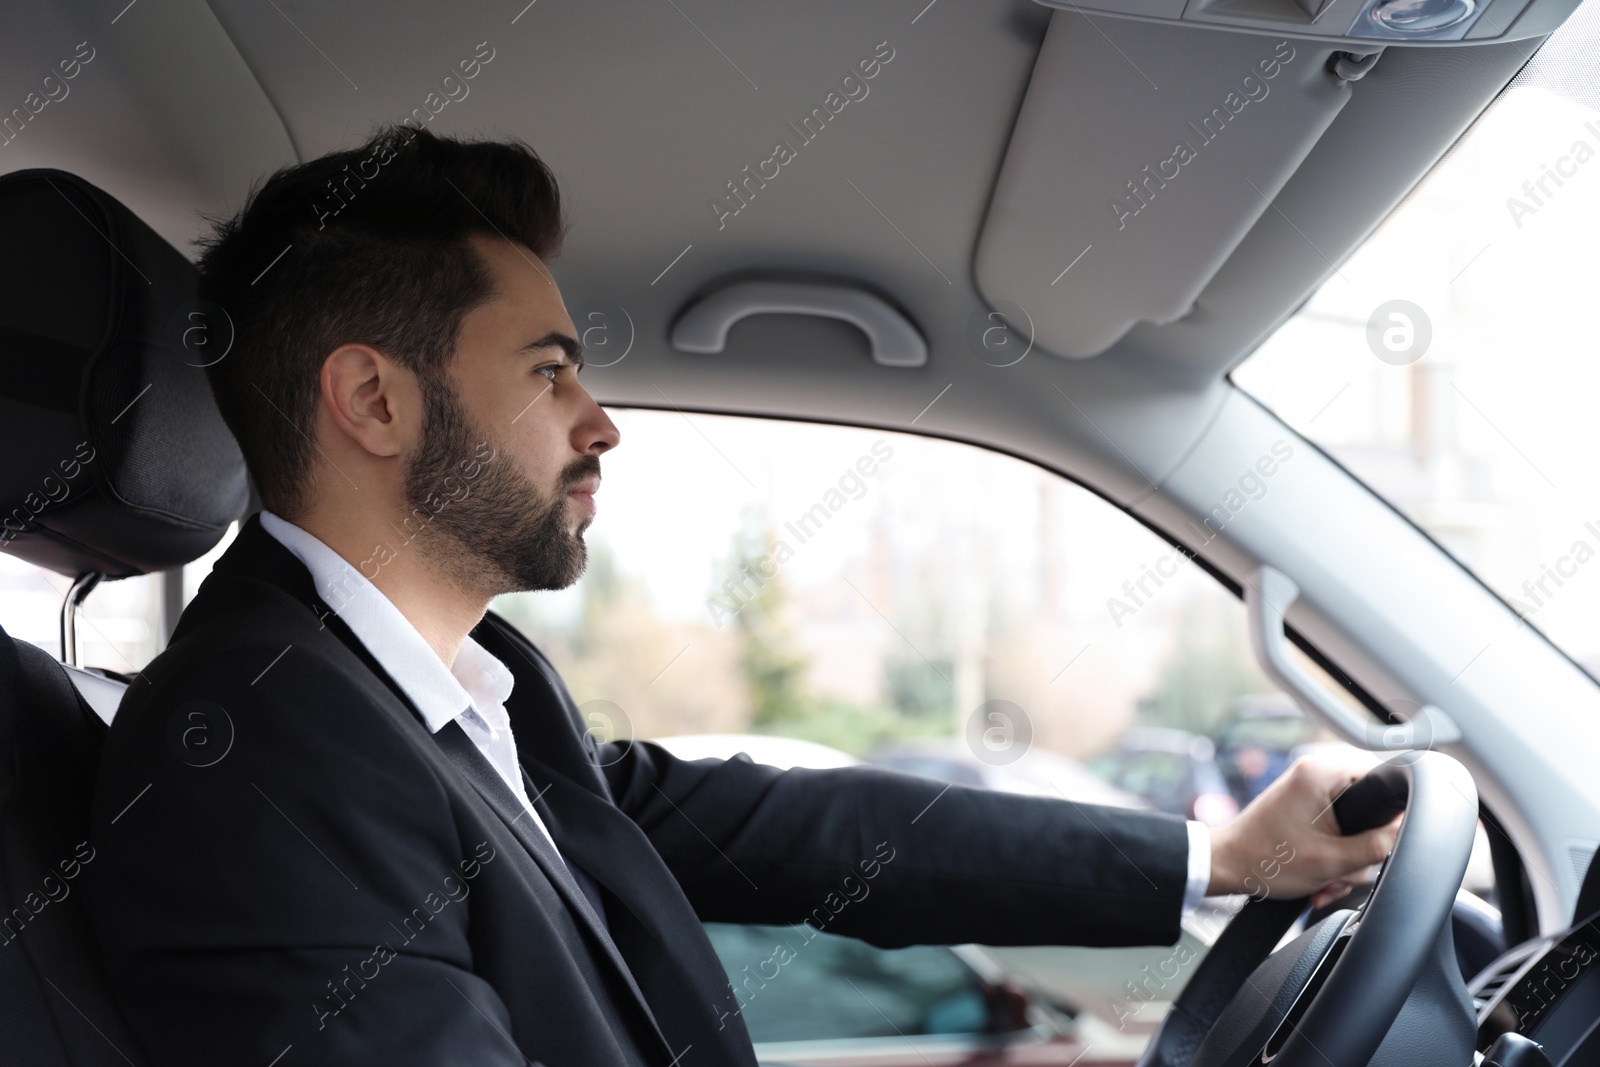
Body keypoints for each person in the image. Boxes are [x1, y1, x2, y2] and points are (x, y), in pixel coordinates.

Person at [81, 125, 1398, 1067]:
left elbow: (780, 830)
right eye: (548, 373)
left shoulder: (459, 689)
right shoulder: (247, 763)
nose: (600, 425)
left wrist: (1217, 860)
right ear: (373, 400)